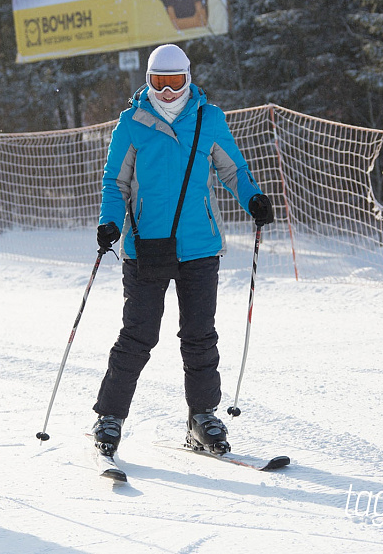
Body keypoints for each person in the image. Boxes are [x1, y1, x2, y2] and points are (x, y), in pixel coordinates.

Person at [92, 44, 275, 457]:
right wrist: (109, 222)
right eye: (160, 83)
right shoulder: (131, 123)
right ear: (149, 81)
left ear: (188, 78)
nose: (169, 92)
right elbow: (115, 183)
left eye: (176, 83)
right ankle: (110, 416)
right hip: (146, 247)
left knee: (199, 336)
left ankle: (202, 416)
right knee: (138, 336)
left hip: (198, 246)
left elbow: (233, 169)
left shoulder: (208, 118)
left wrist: (253, 198)